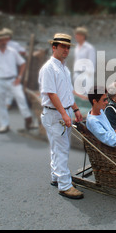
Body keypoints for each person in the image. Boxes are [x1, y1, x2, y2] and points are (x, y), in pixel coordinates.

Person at [38, 33, 84, 199]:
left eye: (68, 47)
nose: (66, 49)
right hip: (55, 113)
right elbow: (51, 94)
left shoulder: (64, 68)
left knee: (57, 148)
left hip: (63, 111)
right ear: (54, 47)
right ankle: (65, 185)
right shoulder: (49, 68)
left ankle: (56, 177)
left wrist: (76, 109)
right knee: (62, 149)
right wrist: (65, 114)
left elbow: (67, 93)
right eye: (62, 46)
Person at [73, 27, 96, 96]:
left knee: (86, 95)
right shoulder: (77, 47)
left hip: (86, 74)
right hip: (77, 73)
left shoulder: (89, 48)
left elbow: (92, 62)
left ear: (83, 36)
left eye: (78, 35)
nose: (76, 36)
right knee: (77, 94)